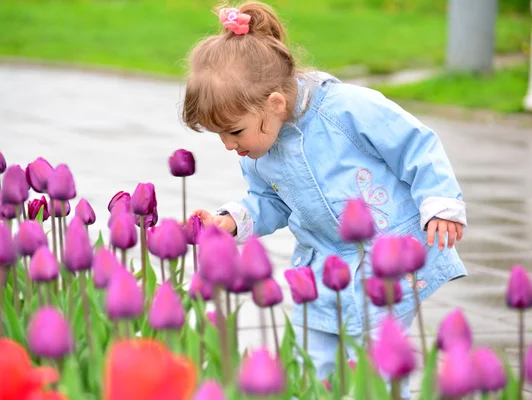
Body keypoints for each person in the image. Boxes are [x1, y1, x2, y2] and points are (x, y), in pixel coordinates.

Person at [182, 2, 467, 398]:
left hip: (389, 259)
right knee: (308, 368)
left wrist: (440, 204)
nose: (229, 145)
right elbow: (270, 200)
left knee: (377, 367)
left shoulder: (348, 109)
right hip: (321, 269)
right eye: (220, 137)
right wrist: (231, 220)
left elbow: (415, 146)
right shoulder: (259, 147)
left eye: (234, 132)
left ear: (274, 104)